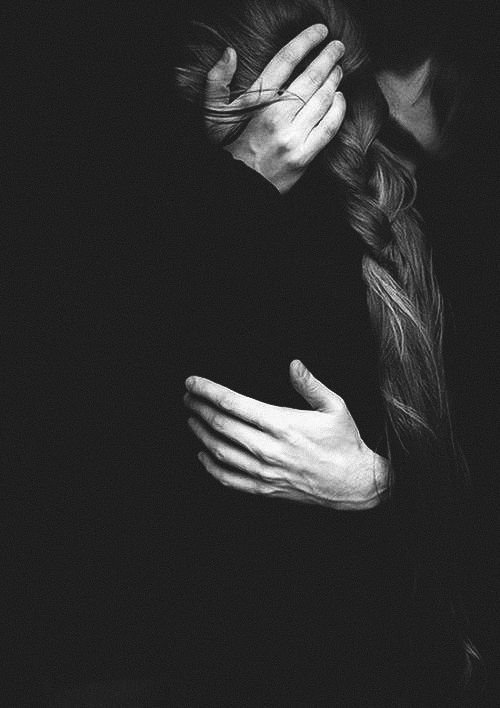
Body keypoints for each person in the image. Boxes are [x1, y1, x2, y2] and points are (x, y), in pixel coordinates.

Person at [3, 0, 497, 704]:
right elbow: (89, 449)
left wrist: (376, 486)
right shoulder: (229, 241)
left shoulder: (417, 240)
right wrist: (228, 179)